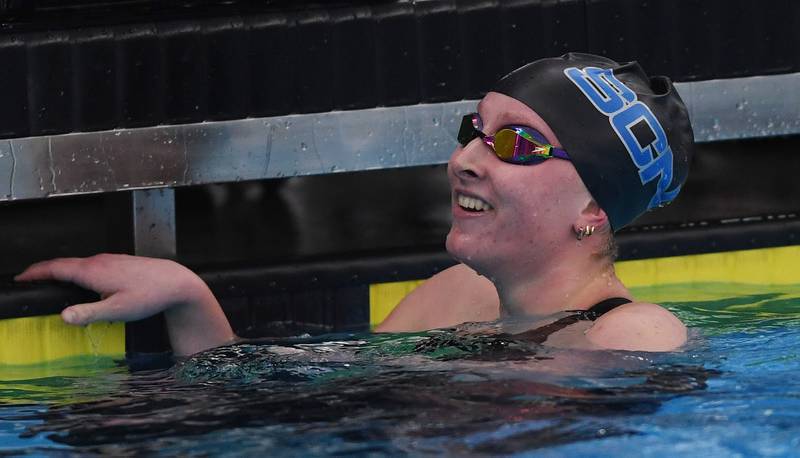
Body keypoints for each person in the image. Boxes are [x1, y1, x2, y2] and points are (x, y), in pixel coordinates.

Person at [15, 53, 694, 356]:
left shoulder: (632, 337)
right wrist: (188, 295)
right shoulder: (454, 297)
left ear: (595, 208)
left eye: (515, 144)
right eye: (475, 131)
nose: (466, 159)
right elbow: (286, 403)